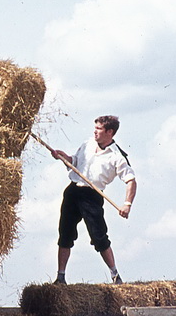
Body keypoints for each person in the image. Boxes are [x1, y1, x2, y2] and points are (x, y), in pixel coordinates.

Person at [51, 115, 137, 285]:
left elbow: (131, 181)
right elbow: (74, 162)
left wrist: (127, 205)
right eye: (95, 128)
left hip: (92, 196)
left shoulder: (117, 156)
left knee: (99, 237)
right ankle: (60, 277)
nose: (95, 131)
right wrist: (64, 157)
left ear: (110, 132)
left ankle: (115, 275)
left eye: (99, 129)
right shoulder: (88, 144)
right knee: (65, 234)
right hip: (73, 191)